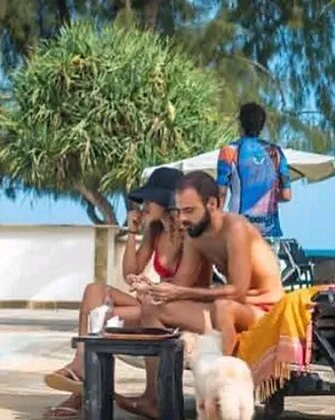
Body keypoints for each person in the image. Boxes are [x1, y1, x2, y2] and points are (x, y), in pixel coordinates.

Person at [43, 167, 211, 418]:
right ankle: (80, 364)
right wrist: (133, 232)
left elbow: (181, 286)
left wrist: (149, 288)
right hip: (155, 303)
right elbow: (130, 272)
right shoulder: (156, 232)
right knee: (94, 292)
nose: (144, 205)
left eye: (150, 199)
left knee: (100, 318)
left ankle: (81, 391)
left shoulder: (191, 235)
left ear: (167, 202)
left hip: (181, 311)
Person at [117, 171, 285, 419]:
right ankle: (157, 396)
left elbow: (239, 290)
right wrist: (154, 289)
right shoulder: (195, 234)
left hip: (263, 308)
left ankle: (221, 395)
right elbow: (181, 283)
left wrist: (180, 291)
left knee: (223, 306)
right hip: (229, 305)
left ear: (212, 204)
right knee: (153, 305)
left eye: (189, 210)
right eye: (179, 211)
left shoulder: (235, 228)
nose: (182, 218)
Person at [216, 102, 292, 252]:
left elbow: (221, 193)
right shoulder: (276, 152)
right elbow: (286, 195)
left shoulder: (229, 151)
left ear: (240, 124)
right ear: (262, 126)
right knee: (267, 268)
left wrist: (216, 225)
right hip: (269, 232)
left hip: (238, 229)